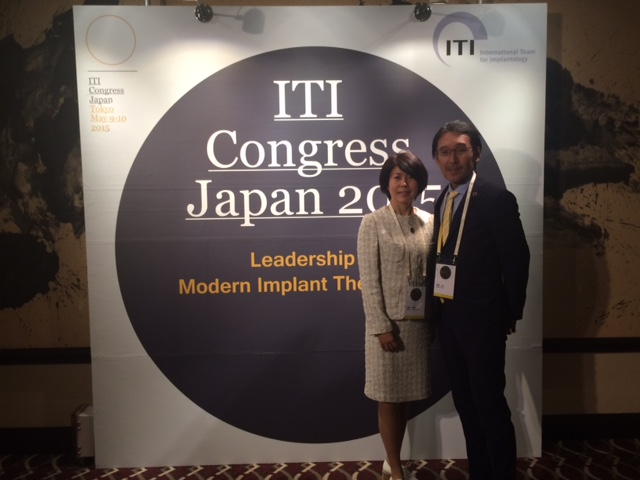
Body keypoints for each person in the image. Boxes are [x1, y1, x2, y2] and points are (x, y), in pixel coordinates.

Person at [429, 120, 530, 480]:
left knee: (489, 405)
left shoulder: (496, 199)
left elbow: (516, 259)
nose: (452, 159)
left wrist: (509, 312)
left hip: (484, 322)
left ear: (477, 154)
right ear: (436, 158)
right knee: (466, 405)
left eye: (461, 150)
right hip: (448, 321)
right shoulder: (443, 198)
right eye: (444, 152)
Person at [357, 150, 433, 480]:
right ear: (386, 183)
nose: (404, 183)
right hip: (387, 330)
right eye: (397, 177)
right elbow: (369, 280)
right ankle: (396, 468)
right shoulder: (372, 223)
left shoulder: (431, 221)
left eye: (410, 177)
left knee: (405, 399)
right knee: (388, 399)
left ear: (420, 182)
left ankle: (393, 461)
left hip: (418, 326)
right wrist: (380, 326)